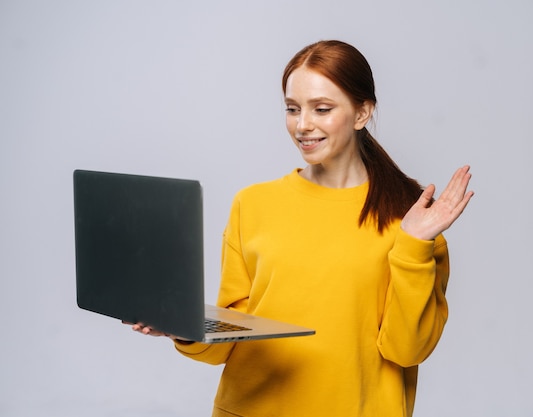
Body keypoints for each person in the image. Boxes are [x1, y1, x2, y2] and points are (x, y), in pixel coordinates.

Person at [132, 40, 473, 417]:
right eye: (292, 109)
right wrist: (182, 326)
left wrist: (413, 245)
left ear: (362, 112)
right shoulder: (253, 204)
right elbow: (235, 334)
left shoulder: (411, 220)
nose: (303, 125)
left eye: (322, 109)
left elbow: (407, 350)